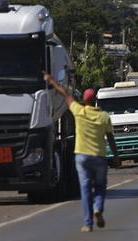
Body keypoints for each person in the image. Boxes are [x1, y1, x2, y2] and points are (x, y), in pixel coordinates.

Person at [44, 73, 121, 232]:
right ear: (95, 101)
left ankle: (88, 224)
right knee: (100, 187)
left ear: (84, 101)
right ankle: (98, 208)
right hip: (99, 157)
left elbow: (65, 94)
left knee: (85, 190)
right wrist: (116, 156)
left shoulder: (79, 111)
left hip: (82, 157)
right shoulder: (104, 116)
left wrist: (52, 81)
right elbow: (111, 138)